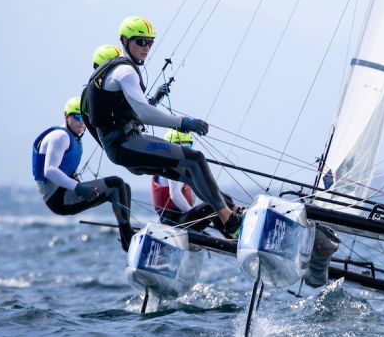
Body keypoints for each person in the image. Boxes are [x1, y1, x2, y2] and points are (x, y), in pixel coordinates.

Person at [85, 16, 242, 238]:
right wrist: (183, 122)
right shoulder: (125, 71)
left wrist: (156, 98)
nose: (146, 47)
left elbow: (129, 110)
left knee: (188, 172)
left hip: (124, 145)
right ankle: (232, 222)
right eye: (140, 42)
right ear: (125, 40)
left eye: (150, 42)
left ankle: (232, 219)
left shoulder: (113, 71)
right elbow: (143, 113)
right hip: (126, 144)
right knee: (195, 159)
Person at [32, 97, 135, 250]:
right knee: (116, 184)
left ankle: (127, 232)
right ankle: (128, 239)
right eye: (77, 117)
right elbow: (49, 170)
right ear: (66, 116)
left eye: (84, 118)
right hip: (58, 198)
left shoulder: (72, 137)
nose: (81, 122)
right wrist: (78, 187)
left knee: (124, 188)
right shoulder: (60, 136)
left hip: (64, 191)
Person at [82, 44, 169, 145]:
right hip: (121, 143)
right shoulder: (90, 95)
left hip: (132, 137)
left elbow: (134, 112)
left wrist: (155, 99)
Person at [151, 129, 227, 234]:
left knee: (223, 198)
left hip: (180, 218)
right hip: (173, 222)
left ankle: (231, 227)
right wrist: (194, 214)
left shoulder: (180, 165)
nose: (183, 150)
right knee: (212, 206)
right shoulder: (172, 165)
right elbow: (175, 195)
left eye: (187, 147)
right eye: (179, 146)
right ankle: (231, 234)